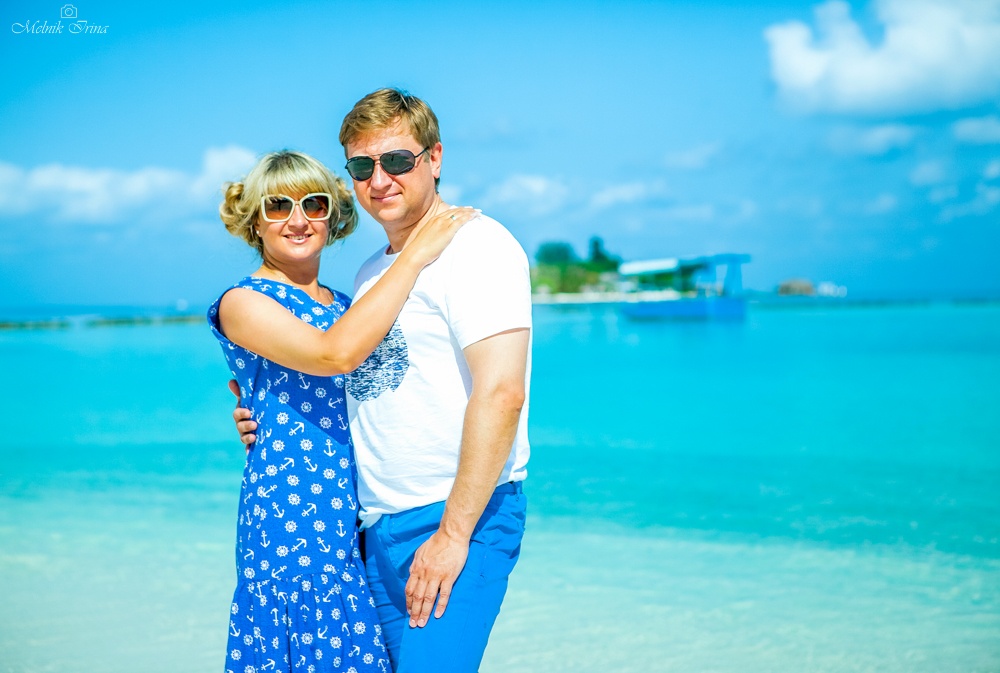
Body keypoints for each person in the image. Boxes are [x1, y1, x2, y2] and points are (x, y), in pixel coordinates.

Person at [233, 89, 533, 673]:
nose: (380, 180)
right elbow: (351, 378)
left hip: (453, 518)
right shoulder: (371, 275)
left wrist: (453, 535)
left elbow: (503, 394)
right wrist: (263, 415)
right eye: (362, 166)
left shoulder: (477, 246)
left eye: (397, 160)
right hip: (371, 531)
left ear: (434, 158)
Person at [208, 149, 475, 673]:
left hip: (356, 507)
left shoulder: (344, 302)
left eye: (313, 204)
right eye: (278, 205)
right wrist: (414, 255)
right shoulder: (243, 301)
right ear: (255, 221)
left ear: (332, 215)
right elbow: (334, 355)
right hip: (292, 510)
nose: (298, 219)